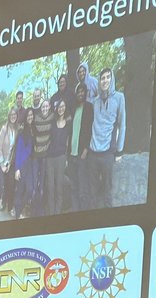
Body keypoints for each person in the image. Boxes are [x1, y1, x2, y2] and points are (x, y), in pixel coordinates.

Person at [88, 67, 126, 208]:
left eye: (108, 77)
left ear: (112, 79)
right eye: (102, 78)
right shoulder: (95, 101)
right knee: (92, 191)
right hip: (93, 152)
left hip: (108, 152)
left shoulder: (119, 98)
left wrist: (119, 151)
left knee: (107, 190)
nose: (105, 80)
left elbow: (122, 124)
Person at [67, 82, 93, 212]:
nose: (80, 94)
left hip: (82, 154)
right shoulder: (74, 108)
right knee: (73, 187)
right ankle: (75, 211)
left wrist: (86, 150)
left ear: (85, 93)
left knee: (83, 187)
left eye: (82, 91)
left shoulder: (89, 107)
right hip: (72, 154)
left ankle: (84, 213)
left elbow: (90, 130)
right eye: (78, 91)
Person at [0, 107, 18, 222]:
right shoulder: (4, 129)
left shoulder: (15, 130)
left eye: (15, 114)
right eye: (11, 114)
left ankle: (8, 206)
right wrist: (2, 164)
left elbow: (12, 150)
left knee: (9, 185)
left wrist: (9, 164)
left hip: (7, 164)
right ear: (9, 116)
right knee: (0, 189)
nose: (13, 116)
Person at [43, 98, 70, 215]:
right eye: (59, 107)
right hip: (50, 157)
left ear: (65, 108)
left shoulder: (68, 124)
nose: (61, 109)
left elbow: (68, 142)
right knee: (50, 187)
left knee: (59, 187)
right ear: (57, 108)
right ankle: (51, 213)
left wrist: (66, 158)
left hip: (61, 158)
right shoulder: (52, 123)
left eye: (63, 106)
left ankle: (57, 213)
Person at [32, 99, 55, 216]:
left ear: (49, 107)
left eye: (46, 106)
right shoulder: (36, 118)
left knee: (42, 183)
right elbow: (31, 129)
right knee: (34, 182)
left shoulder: (52, 117)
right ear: (40, 108)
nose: (45, 108)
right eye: (43, 107)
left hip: (45, 155)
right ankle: (33, 210)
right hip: (36, 155)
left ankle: (40, 211)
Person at [13, 108, 37, 219]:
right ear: (26, 117)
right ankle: (17, 214)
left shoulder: (34, 130)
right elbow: (18, 151)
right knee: (20, 190)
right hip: (22, 164)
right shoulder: (22, 132)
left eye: (31, 115)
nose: (30, 117)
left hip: (30, 164)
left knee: (30, 189)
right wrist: (17, 169)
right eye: (28, 115)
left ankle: (18, 209)